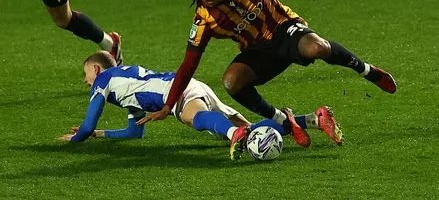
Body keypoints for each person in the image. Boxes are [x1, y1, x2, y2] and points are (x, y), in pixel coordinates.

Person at [138, 0, 396, 143]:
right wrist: (167, 105)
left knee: (316, 48)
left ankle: (368, 71)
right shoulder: (204, 20)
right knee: (231, 82)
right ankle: (284, 121)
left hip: (285, 28)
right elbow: (189, 64)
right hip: (259, 51)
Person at [58, 51, 342, 159]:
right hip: (193, 85)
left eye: (85, 75)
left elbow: (86, 124)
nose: (86, 82)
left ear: (95, 69)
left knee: (195, 119)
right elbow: (135, 132)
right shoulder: (123, 88)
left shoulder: (103, 80)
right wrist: (100, 135)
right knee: (250, 129)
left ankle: (234, 135)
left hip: (178, 92)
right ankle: (312, 119)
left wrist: (77, 138)